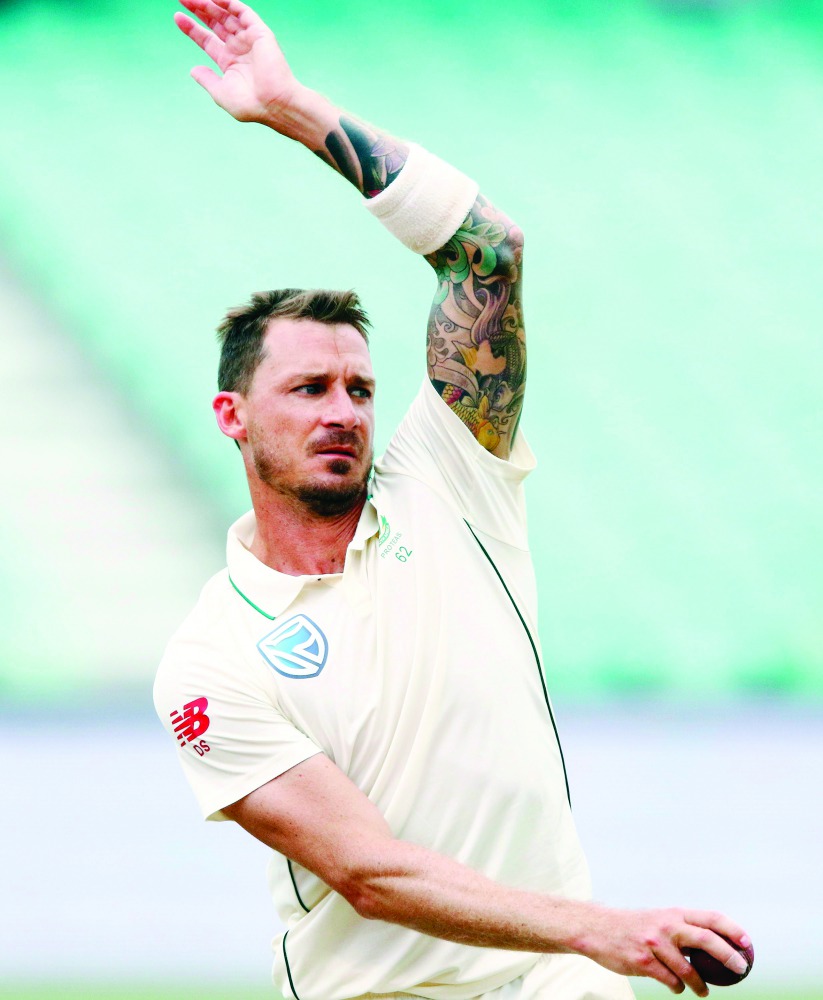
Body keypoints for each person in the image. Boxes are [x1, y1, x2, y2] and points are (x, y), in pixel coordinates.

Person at [153, 2, 752, 998]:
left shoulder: (446, 479)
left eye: (360, 389)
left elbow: (487, 251)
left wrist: (293, 109)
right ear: (232, 415)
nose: (342, 411)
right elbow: (369, 874)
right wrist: (595, 928)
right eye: (308, 388)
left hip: (559, 980)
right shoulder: (208, 661)